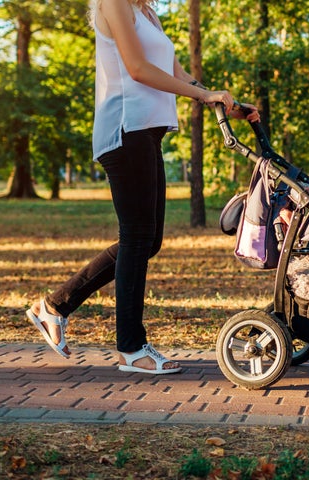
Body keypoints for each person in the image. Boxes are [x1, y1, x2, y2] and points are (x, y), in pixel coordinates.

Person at [26, 0, 259, 375]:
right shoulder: (113, 2)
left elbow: (176, 73)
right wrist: (201, 96)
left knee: (147, 241)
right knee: (137, 237)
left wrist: (224, 102)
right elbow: (137, 69)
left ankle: (54, 307)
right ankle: (131, 349)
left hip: (146, 133)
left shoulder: (148, 12)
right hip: (124, 130)